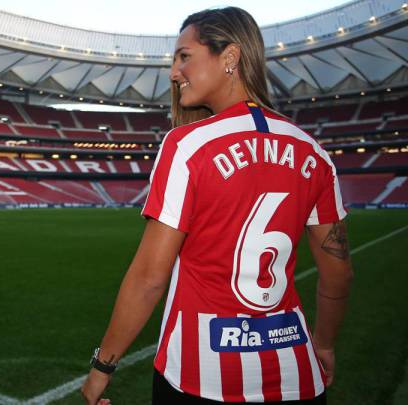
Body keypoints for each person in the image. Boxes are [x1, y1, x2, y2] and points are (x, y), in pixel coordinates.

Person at [81, 7, 353, 404]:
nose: (174, 73)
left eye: (184, 56)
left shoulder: (187, 146)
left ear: (229, 57)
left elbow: (149, 278)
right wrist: (324, 345)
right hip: (297, 374)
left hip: (200, 377)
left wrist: (102, 366)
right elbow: (339, 273)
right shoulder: (314, 153)